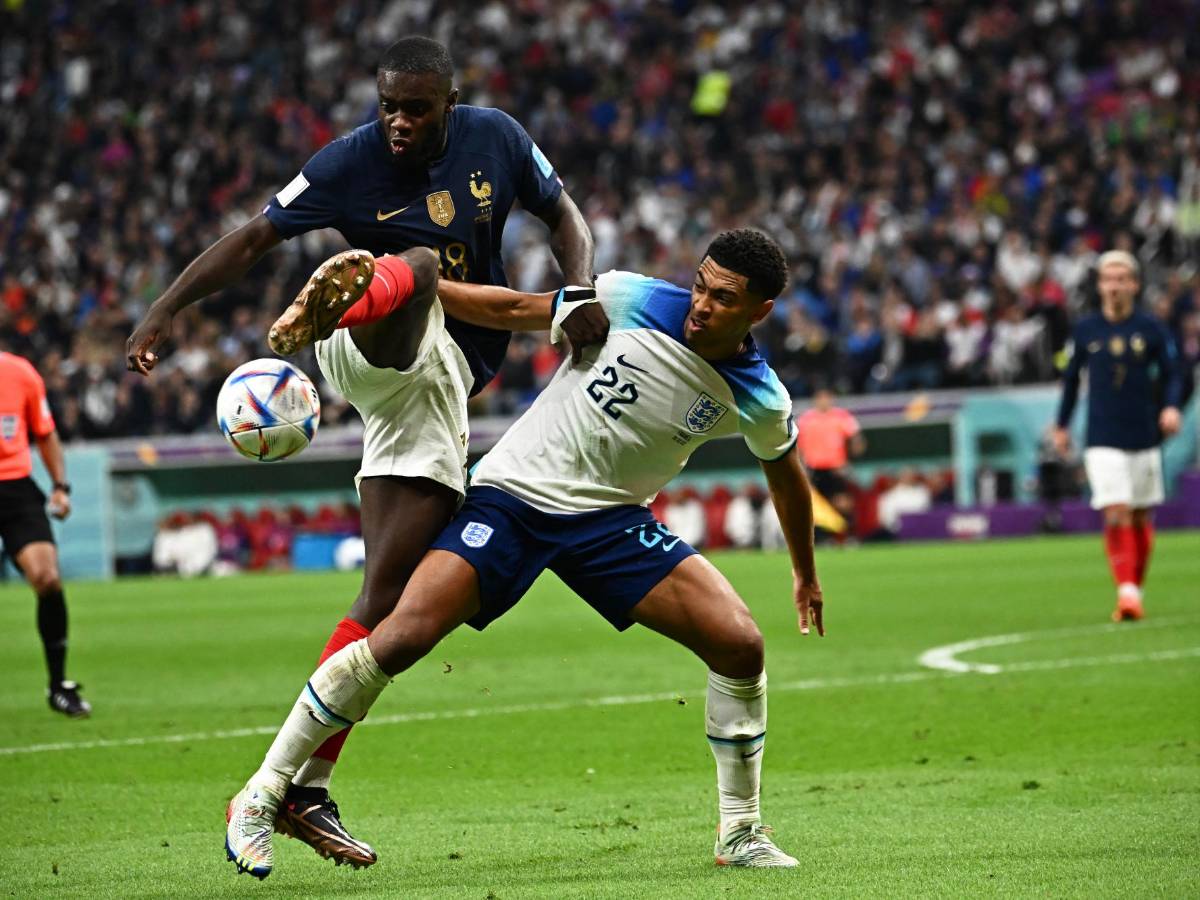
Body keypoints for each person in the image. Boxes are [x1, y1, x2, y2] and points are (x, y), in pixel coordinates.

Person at [125, 36, 604, 867]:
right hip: (365, 347)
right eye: (388, 105)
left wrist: (584, 284)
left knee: (385, 606)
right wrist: (163, 309)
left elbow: (564, 214)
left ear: (449, 104)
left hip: (438, 382)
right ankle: (344, 302)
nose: (398, 121)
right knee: (413, 263)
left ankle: (302, 789)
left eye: (416, 108)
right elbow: (251, 238)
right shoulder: (347, 160)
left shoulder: (496, 136)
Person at [224, 229, 824, 878]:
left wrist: (804, 572)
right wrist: (405, 289)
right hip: (512, 498)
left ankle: (739, 831)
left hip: (610, 522)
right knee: (400, 637)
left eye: (723, 298)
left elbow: (786, 474)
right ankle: (262, 794)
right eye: (701, 284)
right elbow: (511, 310)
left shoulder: (761, 394)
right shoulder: (628, 297)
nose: (701, 304)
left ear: (759, 311)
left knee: (741, 645)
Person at [1053, 250, 1183, 622]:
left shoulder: (1152, 329)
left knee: (1141, 515)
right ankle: (1126, 593)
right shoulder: (1086, 330)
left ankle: (1133, 590)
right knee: (1117, 511)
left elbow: (1175, 372)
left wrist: (1171, 407)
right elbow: (1070, 382)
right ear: (1099, 286)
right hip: (1102, 436)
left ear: (1134, 284)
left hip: (1143, 434)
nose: (1113, 286)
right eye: (1107, 279)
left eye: (1120, 278)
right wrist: (1062, 425)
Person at [0, 350, 89, 717]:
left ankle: (58, 686)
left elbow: (45, 433)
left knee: (47, 578)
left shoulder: (19, 373)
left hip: (16, 488)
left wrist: (60, 487)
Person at [795, 388, 865, 537]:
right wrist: (802, 468)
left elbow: (857, 439)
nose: (823, 401)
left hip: (836, 467)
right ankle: (822, 539)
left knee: (842, 502)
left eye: (826, 397)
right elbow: (798, 447)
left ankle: (848, 536)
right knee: (817, 506)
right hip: (814, 468)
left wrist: (849, 460)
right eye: (820, 398)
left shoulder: (842, 416)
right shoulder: (806, 419)